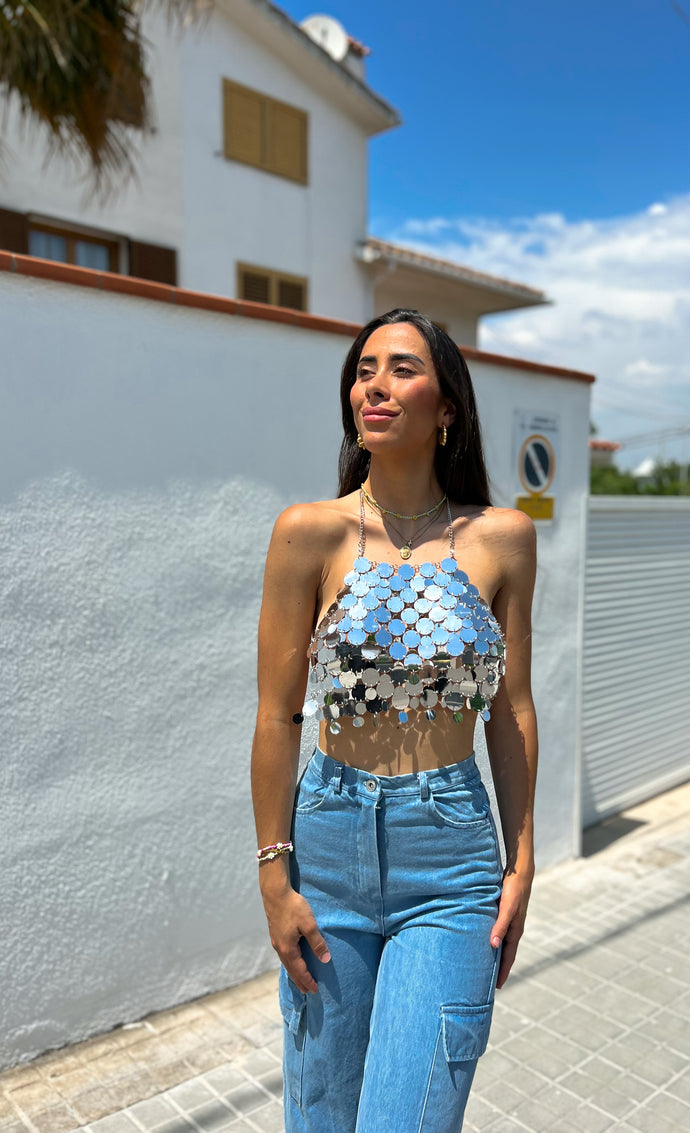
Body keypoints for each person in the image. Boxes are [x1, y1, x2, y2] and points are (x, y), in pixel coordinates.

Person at [250, 309, 538, 1133]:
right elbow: (276, 714)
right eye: (364, 369)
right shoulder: (308, 532)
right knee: (323, 1113)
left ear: (447, 407)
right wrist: (274, 873)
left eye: (402, 368)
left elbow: (511, 709)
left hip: (450, 862)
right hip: (328, 846)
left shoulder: (504, 539)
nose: (374, 385)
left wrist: (522, 861)